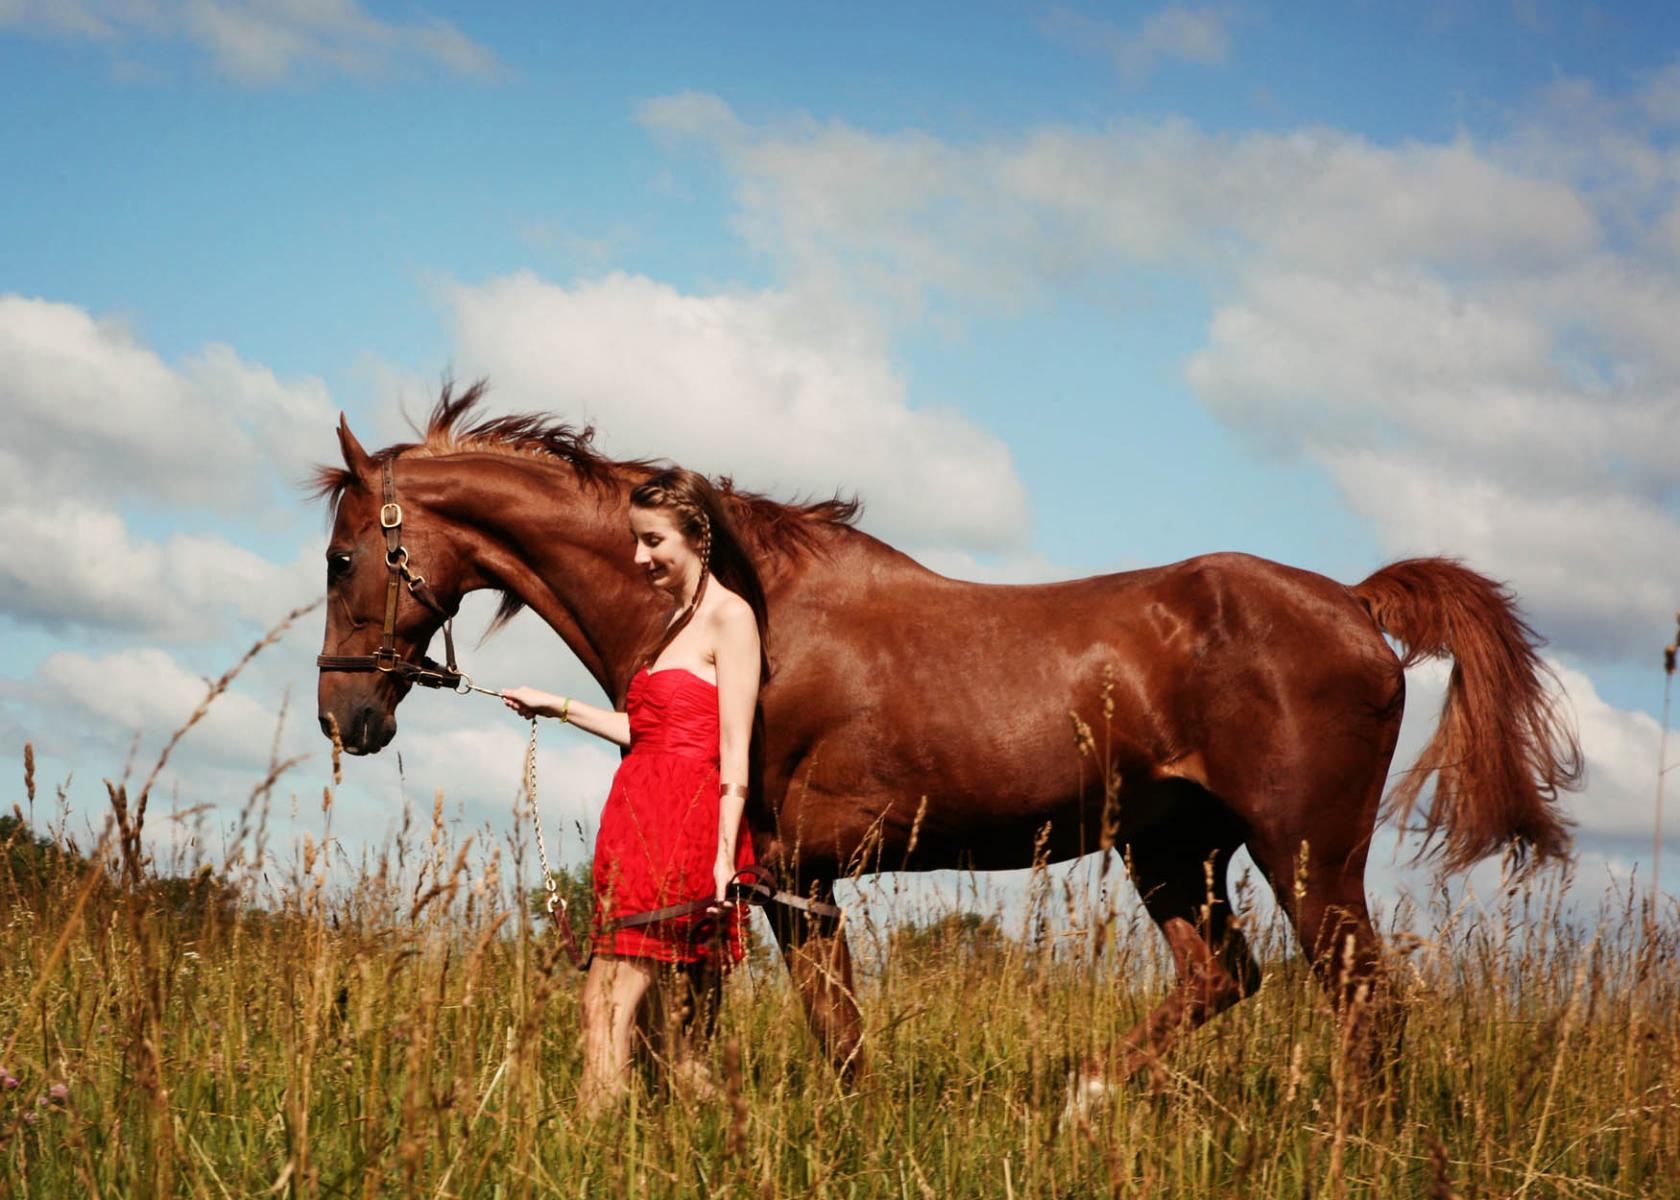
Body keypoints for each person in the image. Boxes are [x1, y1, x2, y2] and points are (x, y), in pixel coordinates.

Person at [501, 466, 767, 1115]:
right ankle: (728, 1147)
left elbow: (734, 747)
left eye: (652, 540)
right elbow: (642, 728)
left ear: (696, 537)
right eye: (635, 540)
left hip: (683, 823)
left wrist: (725, 855)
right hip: (638, 817)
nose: (638, 556)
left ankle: (591, 1154)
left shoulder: (730, 618)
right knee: (672, 1040)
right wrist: (554, 704)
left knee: (604, 1004)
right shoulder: (675, 620)